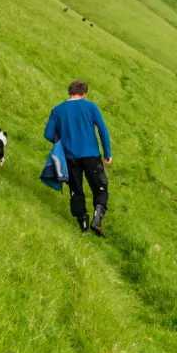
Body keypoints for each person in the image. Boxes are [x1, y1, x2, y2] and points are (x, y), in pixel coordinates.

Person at [44, 80, 112, 236]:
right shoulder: (91, 107)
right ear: (84, 93)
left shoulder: (57, 110)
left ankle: (83, 223)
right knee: (100, 187)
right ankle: (97, 218)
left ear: (70, 92)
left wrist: (61, 141)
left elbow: (48, 134)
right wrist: (107, 154)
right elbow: (103, 130)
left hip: (70, 157)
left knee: (76, 190)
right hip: (91, 156)